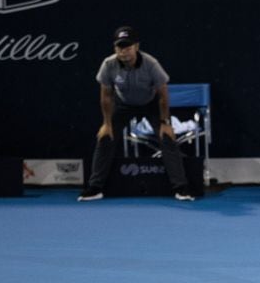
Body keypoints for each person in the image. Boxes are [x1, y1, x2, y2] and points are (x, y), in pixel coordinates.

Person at [79, 26, 194, 202]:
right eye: (119, 47)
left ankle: (181, 188)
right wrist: (107, 124)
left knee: (167, 139)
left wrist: (164, 122)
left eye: (127, 47)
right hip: (123, 105)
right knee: (105, 138)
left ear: (137, 47)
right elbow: (106, 97)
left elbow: (163, 95)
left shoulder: (151, 64)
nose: (123, 51)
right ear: (114, 48)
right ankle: (95, 188)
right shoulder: (108, 64)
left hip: (151, 104)